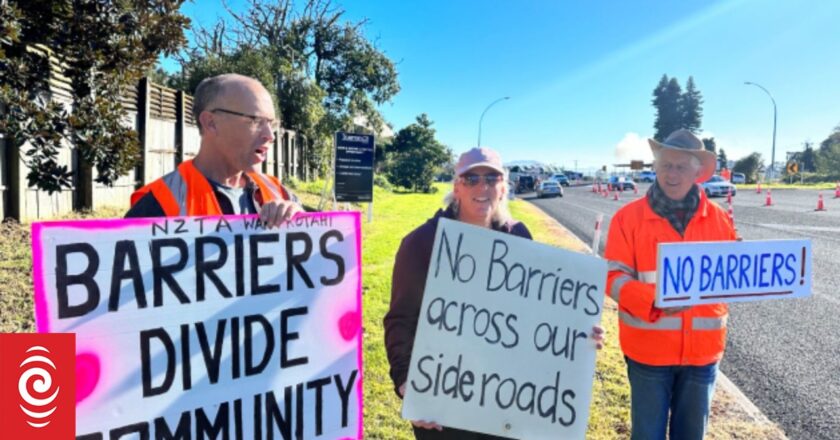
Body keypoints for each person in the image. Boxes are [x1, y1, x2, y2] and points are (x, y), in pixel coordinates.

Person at [384, 147, 605, 440]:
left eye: (491, 178)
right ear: (456, 187)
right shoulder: (422, 243)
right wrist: (405, 381)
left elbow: (536, 312)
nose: (482, 186)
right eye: (471, 178)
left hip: (504, 400)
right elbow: (400, 319)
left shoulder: (519, 237)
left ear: (503, 187)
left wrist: (577, 333)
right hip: (444, 399)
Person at [604, 129, 736, 440]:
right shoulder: (627, 219)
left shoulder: (720, 220)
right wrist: (653, 299)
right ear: (655, 167)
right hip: (648, 354)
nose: (671, 173)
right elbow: (612, 277)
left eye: (680, 166)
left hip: (702, 355)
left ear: (697, 172)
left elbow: (729, 279)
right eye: (665, 165)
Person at [126, 73, 301, 225]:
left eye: (271, 123)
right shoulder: (158, 204)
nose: (270, 135)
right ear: (211, 123)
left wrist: (303, 222)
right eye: (255, 120)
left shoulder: (278, 192)